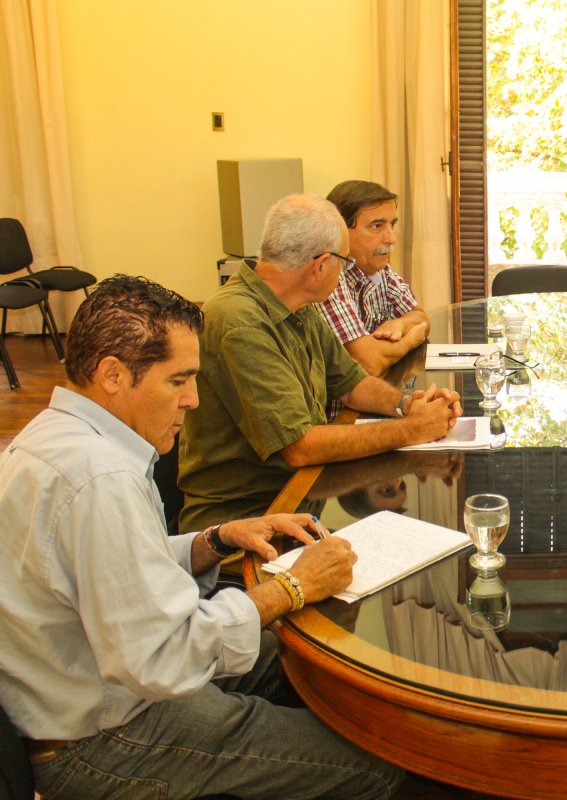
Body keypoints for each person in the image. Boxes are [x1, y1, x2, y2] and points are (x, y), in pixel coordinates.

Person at [0, 275, 405, 799]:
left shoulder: (53, 436)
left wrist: (213, 540)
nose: (193, 399)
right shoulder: (101, 477)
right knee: (376, 761)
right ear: (113, 374)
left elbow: (108, 569)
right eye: (178, 380)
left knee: (305, 661)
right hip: (105, 734)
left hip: (95, 685)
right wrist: (292, 587)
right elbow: (165, 654)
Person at [179, 194, 461, 532]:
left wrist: (407, 405)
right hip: (247, 519)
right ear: (321, 265)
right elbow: (300, 446)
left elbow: (352, 383)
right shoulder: (240, 322)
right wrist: (413, 429)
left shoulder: (297, 304)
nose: (345, 273)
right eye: (344, 262)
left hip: (303, 495)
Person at [320, 180, 430, 380]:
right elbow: (368, 363)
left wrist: (400, 324)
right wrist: (412, 338)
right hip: (340, 400)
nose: (391, 239)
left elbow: (421, 318)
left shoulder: (379, 269)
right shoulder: (328, 276)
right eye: (377, 226)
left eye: (392, 225)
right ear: (340, 231)